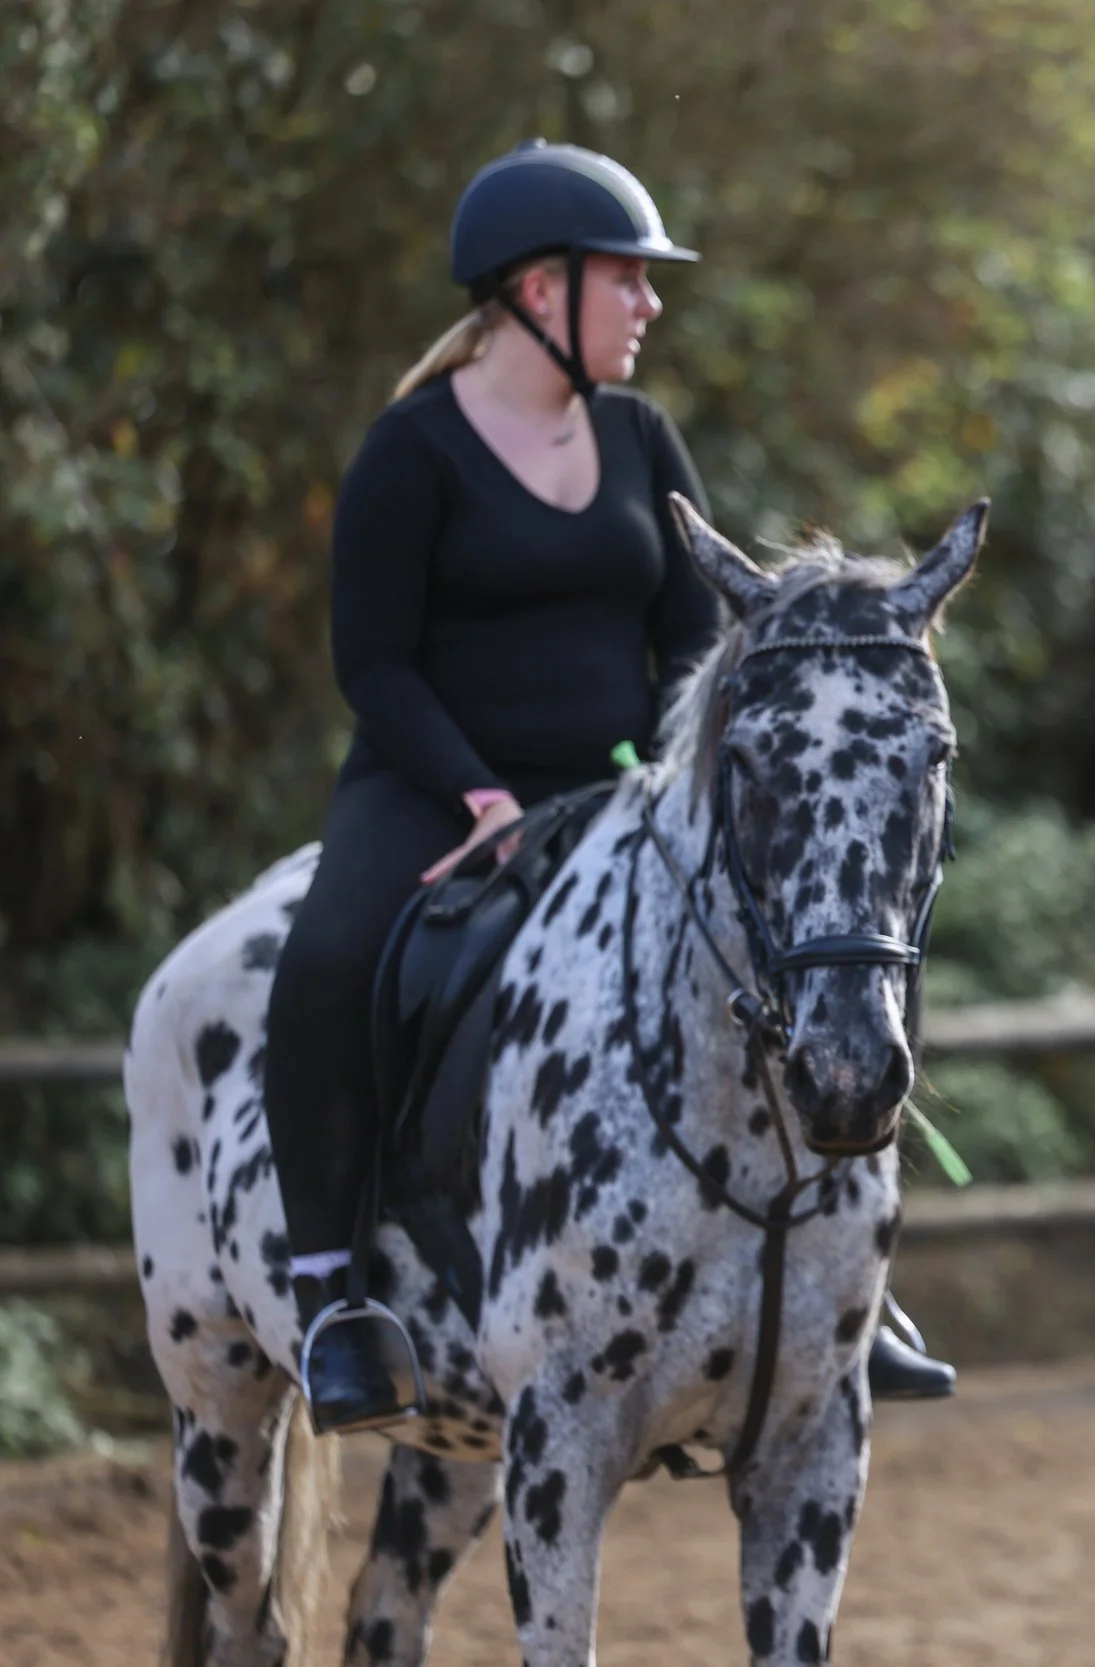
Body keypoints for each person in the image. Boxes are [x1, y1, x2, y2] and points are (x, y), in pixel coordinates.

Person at [262, 139, 954, 1434]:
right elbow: (376, 663)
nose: (650, 305)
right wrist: (475, 794)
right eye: (626, 280)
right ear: (537, 287)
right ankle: (333, 1296)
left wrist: (675, 770)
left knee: (810, 936)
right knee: (326, 960)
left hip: (624, 786)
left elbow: (701, 641)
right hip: (434, 791)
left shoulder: (642, 436)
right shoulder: (410, 453)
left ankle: (848, 1282)